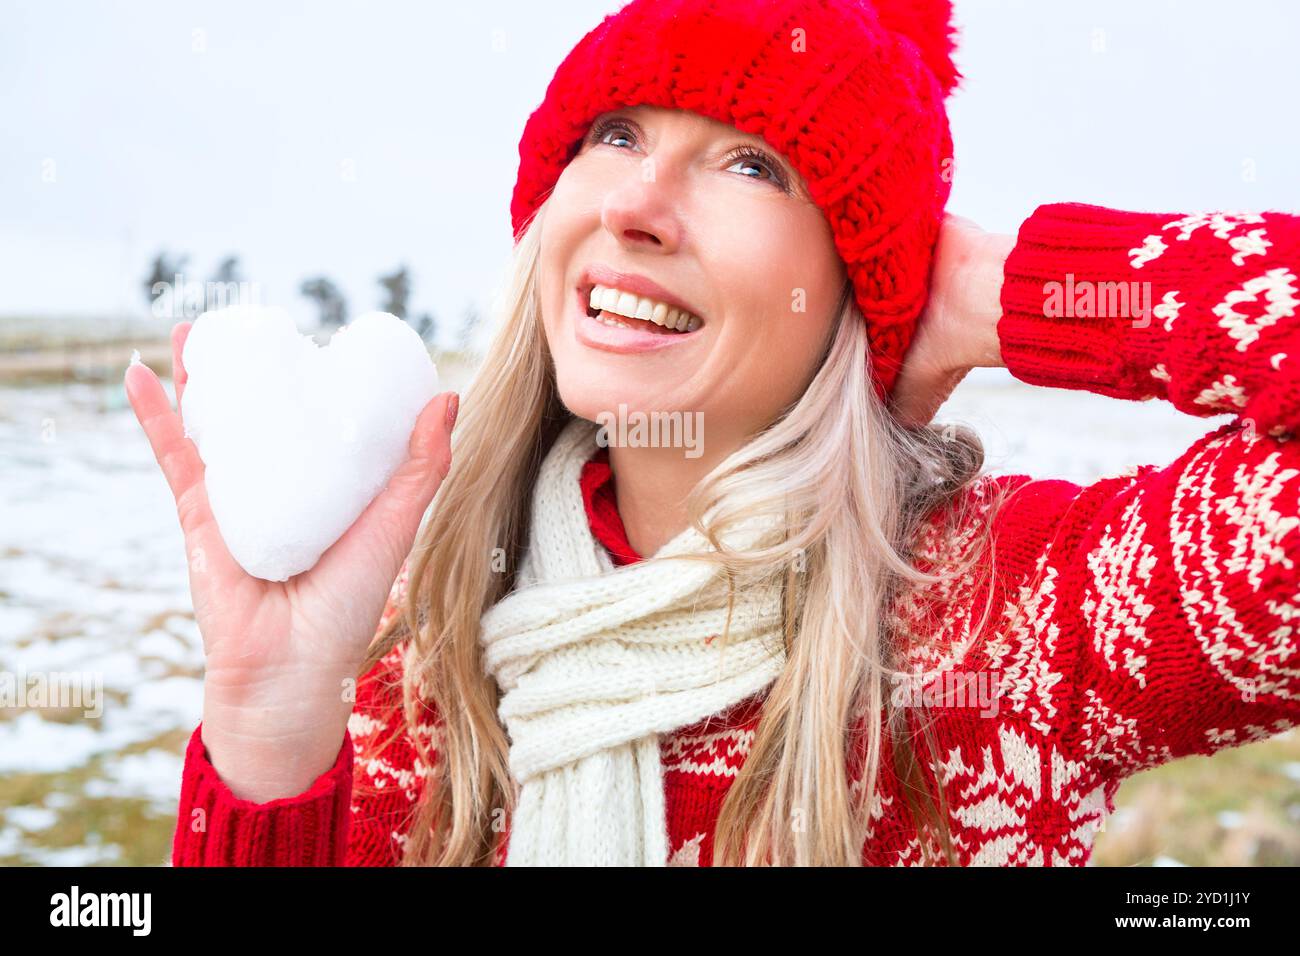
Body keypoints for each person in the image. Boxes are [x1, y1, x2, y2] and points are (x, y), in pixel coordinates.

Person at [125, 0, 1300, 867]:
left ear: (857, 282)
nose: (633, 206)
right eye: (617, 135)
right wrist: (271, 739)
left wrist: (1009, 291)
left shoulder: (1023, 613)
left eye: (751, 162)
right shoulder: (419, 644)